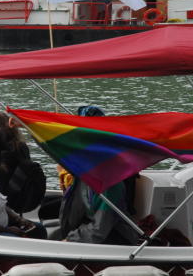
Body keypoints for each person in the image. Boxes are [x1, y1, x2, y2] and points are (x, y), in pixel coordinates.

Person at [57, 105, 138, 245]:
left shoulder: (109, 182)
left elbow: (100, 229)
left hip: (114, 241)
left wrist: (69, 240)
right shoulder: (81, 173)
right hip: (91, 231)